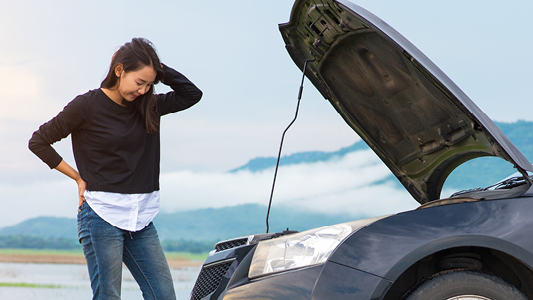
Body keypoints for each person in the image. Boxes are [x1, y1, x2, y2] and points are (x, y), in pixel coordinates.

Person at [28, 37, 202, 299]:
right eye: (139, 82)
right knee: (108, 295)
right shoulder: (86, 106)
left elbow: (192, 94)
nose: (143, 90)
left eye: (149, 84)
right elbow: (38, 141)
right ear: (119, 70)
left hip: (141, 219)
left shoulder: (149, 107)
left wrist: (158, 68)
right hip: (101, 215)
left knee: (164, 294)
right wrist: (77, 178)